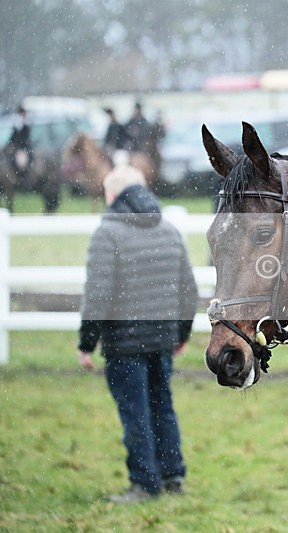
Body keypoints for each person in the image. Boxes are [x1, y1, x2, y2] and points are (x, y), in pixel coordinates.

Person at [77, 165, 198, 503]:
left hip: (124, 343)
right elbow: (188, 290)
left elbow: (98, 294)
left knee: (135, 411)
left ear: (112, 195)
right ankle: (172, 474)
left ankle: (145, 483)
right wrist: (182, 334)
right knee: (163, 406)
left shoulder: (108, 232)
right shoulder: (169, 229)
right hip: (161, 339)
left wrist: (86, 342)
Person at [7, 105, 32, 180]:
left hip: (23, 148)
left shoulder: (26, 126)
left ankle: (23, 177)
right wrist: (10, 145)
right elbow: (12, 138)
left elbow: (25, 139)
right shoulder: (16, 125)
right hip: (16, 147)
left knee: (22, 160)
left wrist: (19, 147)